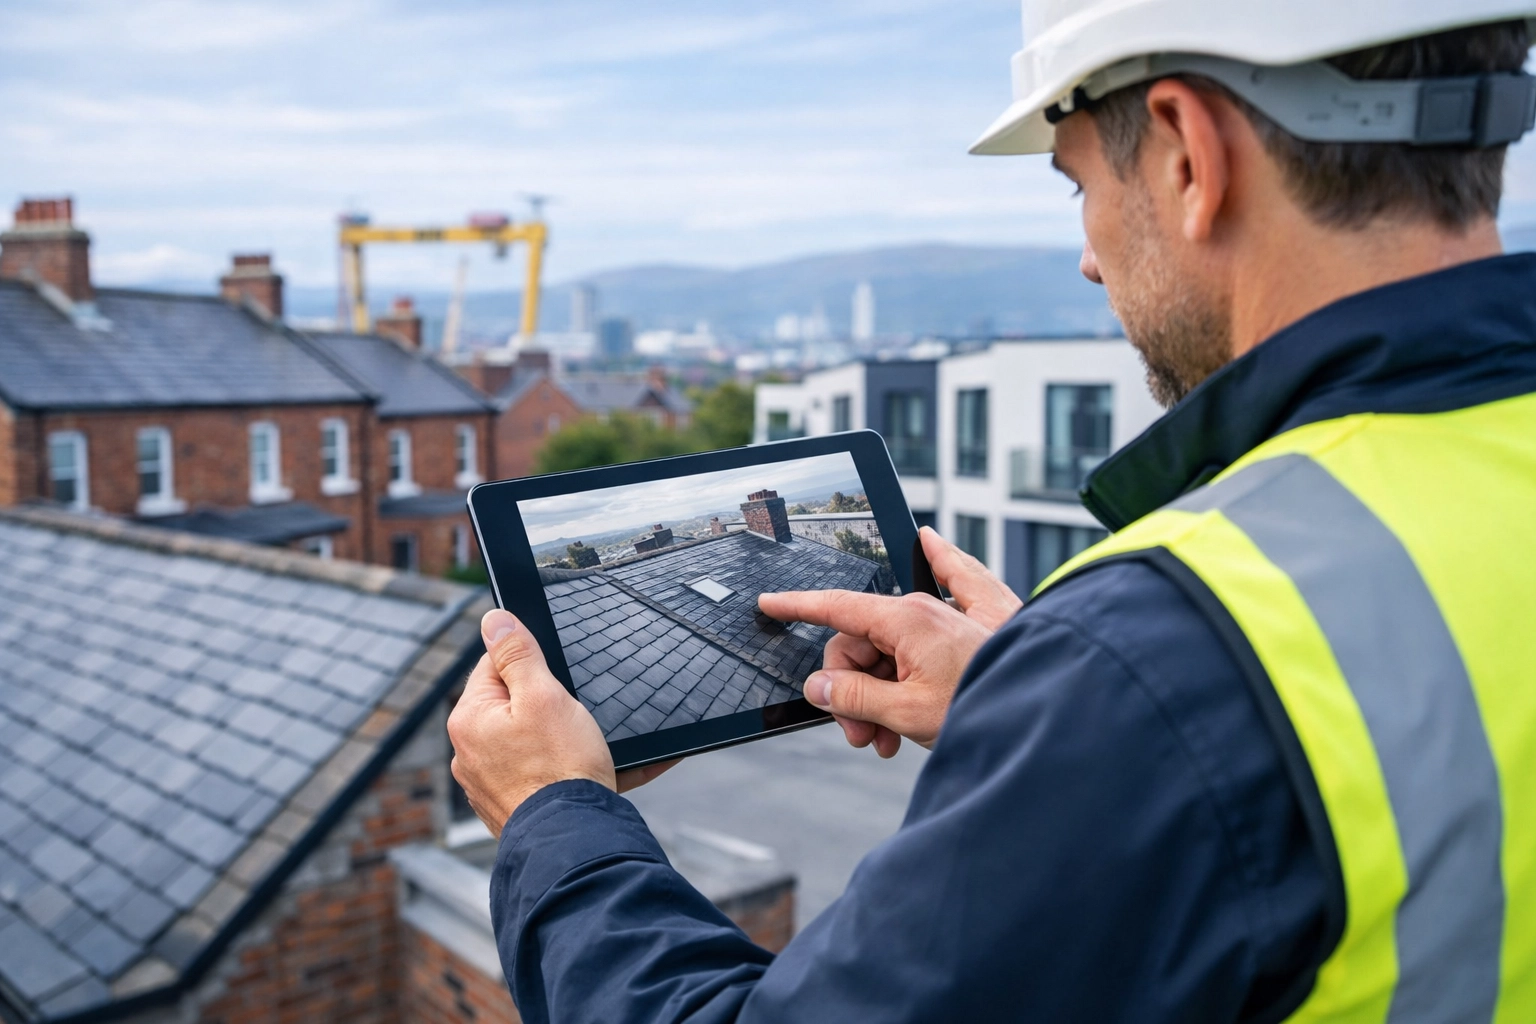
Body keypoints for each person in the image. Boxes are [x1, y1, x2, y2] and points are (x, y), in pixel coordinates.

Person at [448, 2, 1536, 1020]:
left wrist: (554, 816)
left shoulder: (1164, 658)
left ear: (1188, 152)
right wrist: (1040, 712)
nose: (1086, 253)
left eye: (1078, 183)